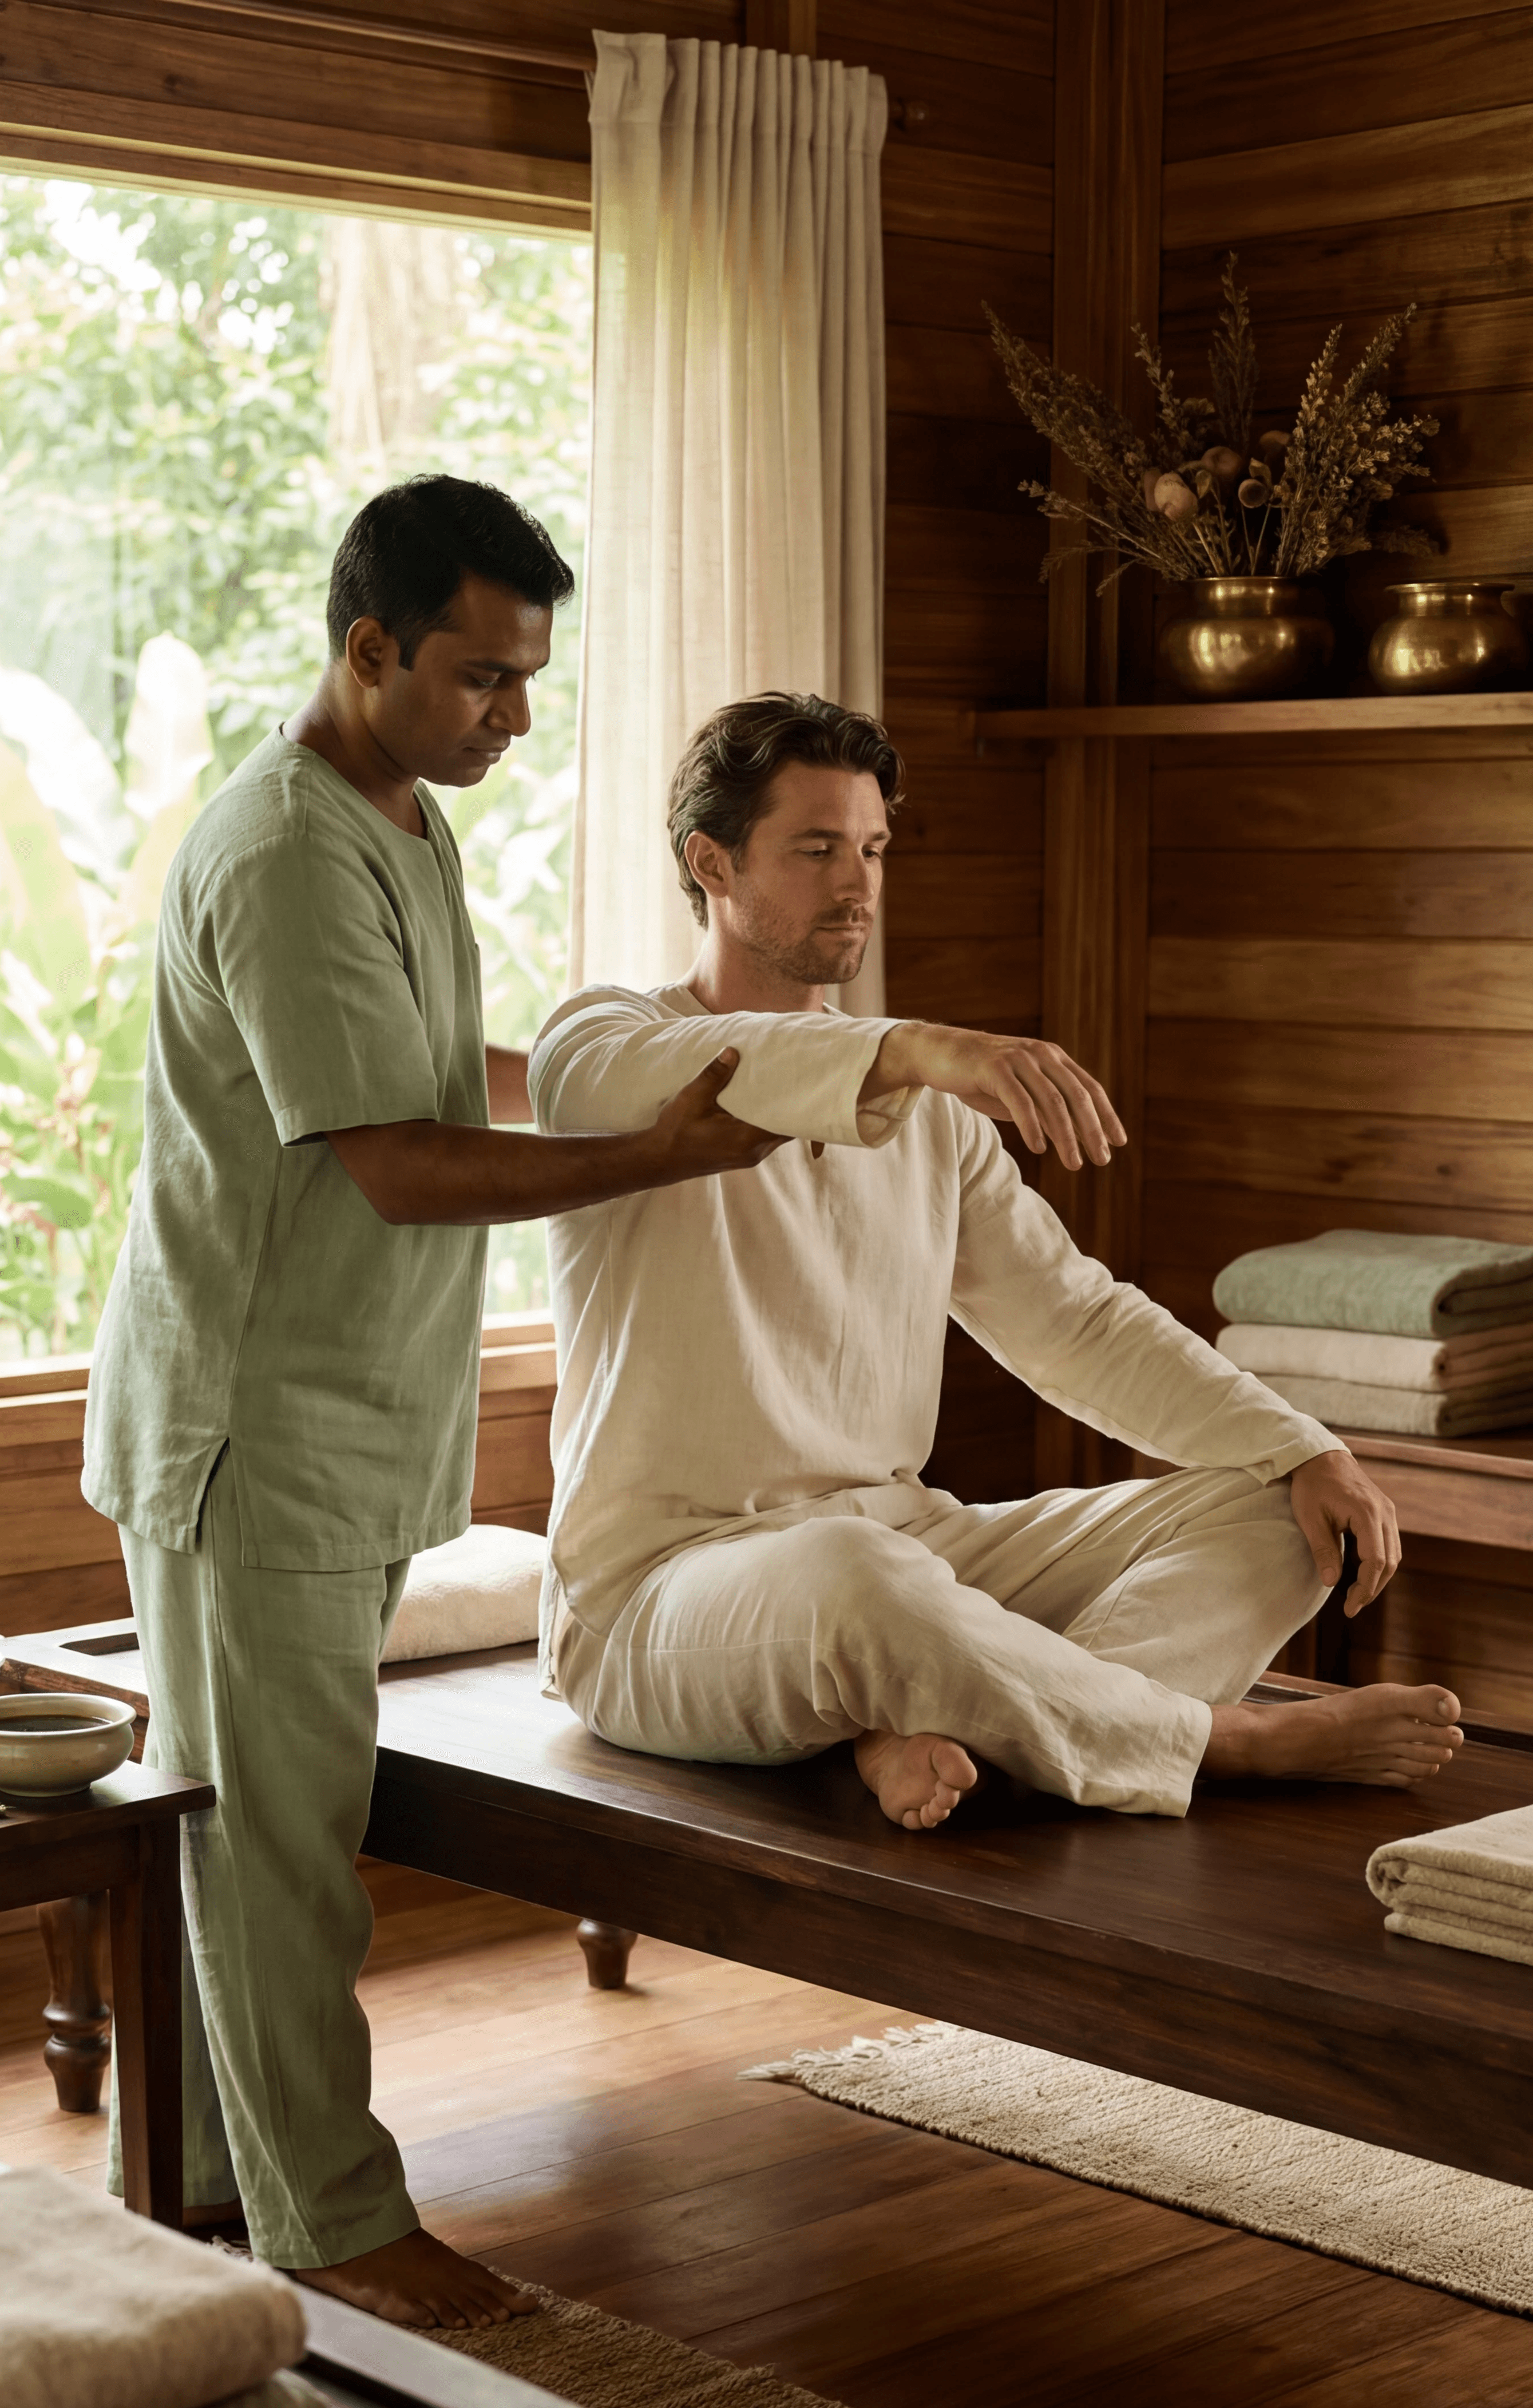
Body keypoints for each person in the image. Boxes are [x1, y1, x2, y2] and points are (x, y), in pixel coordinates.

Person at [82, 478, 784, 2331]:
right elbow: (396, 1159)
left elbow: (432, 1068)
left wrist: (614, 1087)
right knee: (278, 1845)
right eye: (482, 677)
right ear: (370, 648)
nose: (515, 717)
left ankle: (225, 2183)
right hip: (251, 1433)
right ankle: (330, 2224)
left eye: (533, 677)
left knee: (277, 1825)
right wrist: (655, 1159)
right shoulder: (288, 848)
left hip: (341, 1419)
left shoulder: (401, 819)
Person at [529, 690, 1465, 1836]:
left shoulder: (931, 1123)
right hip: (658, 1596)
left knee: (1277, 1515)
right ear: (710, 863)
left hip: (901, 1546)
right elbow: (701, 1069)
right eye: (816, 848)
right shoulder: (601, 1045)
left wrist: (1301, 1445)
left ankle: (954, 1721)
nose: (857, 881)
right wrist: (922, 1046)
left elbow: (1075, 1321)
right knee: (858, 1579)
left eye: (872, 847)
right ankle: (1221, 1739)